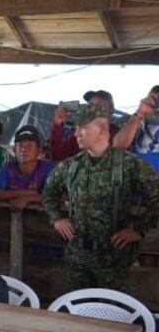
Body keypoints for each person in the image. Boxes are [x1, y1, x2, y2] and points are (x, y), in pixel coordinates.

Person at [43, 104, 159, 292]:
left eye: (83, 127)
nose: (76, 134)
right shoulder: (71, 166)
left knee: (115, 315)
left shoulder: (129, 165)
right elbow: (49, 192)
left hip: (113, 260)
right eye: (75, 128)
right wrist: (57, 218)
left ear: (102, 129)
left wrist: (138, 230)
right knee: (79, 311)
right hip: (77, 258)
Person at [0, 125, 55, 210]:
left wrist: (28, 199)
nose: (24, 149)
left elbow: (59, 196)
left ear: (39, 151)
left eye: (30, 145)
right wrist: (22, 193)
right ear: (14, 150)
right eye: (20, 145)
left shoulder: (47, 167)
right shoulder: (8, 169)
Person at [50, 89, 118, 161]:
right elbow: (58, 156)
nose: (93, 109)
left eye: (98, 106)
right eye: (90, 105)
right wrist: (57, 124)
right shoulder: (80, 134)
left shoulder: (118, 135)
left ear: (111, 111)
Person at [113, 84, 159, 171]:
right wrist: (140, 113)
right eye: (153, 98)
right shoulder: (134, 119)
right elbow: (117, 146)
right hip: (135, 176)